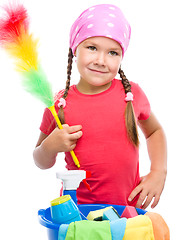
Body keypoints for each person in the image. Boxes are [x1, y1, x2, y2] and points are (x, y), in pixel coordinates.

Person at [33, 4, 167, 209]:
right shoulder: (58, 105)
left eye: (113, 52)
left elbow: (154, 131)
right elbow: (41, 161)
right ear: (75, 49)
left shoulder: (131, 95)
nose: (101, 60)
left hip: (128, 211)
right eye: (92, 47)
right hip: (77, 213)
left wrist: (158, 172)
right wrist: (49, 147)